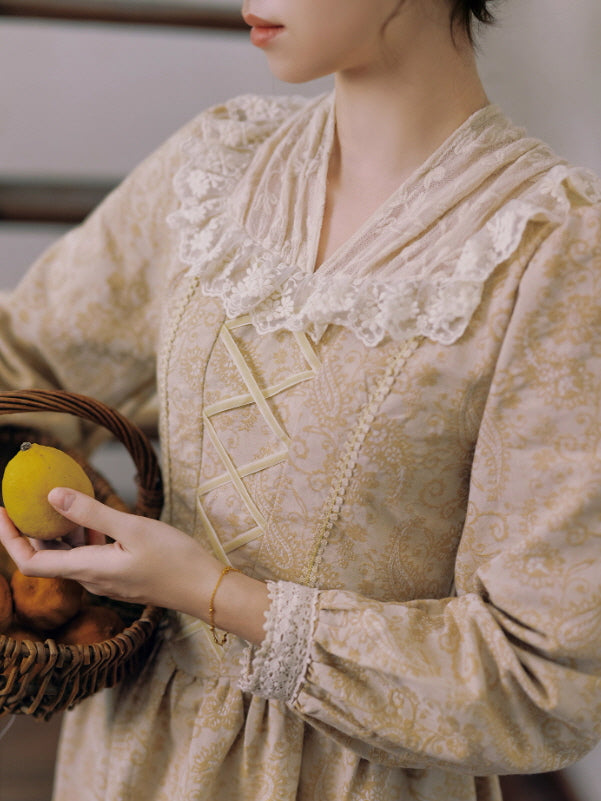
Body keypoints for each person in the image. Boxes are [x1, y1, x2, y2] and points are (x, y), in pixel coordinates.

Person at [1, 1, 601, 799]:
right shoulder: (217, 164)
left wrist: (214, 595)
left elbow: (541, 683)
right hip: (126, 762)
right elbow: (24, 356)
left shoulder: (552, 248)